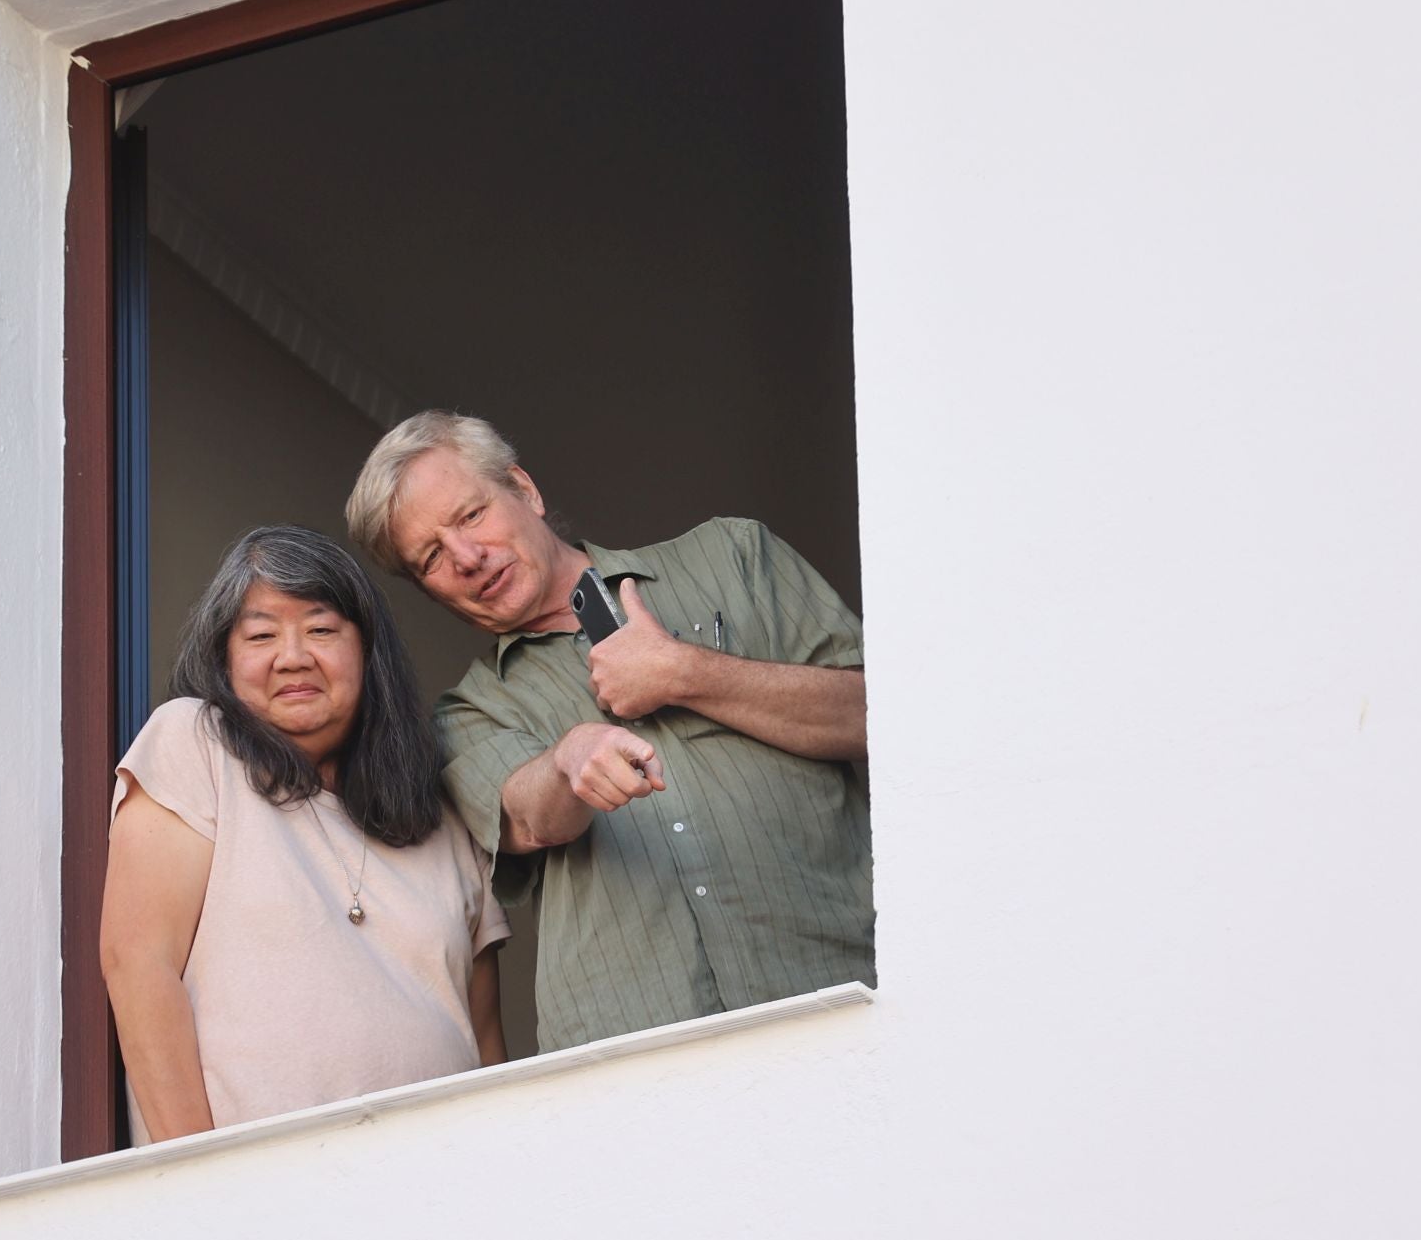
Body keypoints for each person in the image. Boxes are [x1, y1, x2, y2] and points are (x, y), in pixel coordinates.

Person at [345, 412, 872, 1052]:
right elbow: (529, 818)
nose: (466, 558)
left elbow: (874, 717)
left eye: (470, 516)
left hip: (842, 1000)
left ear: (524, 489)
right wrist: (568, 761)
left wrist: (685, 673)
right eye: (430, 557)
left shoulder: (735, 556)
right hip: (636, 1063)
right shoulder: (467, 712)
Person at [99, 525, 509, 1145]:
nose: (293, 656)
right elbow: (137, 965)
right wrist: (192, 1176)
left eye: (321, 630)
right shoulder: (194, 743)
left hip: (441, 1183)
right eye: (261, 635)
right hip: (260, 1194)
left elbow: (485, 1043)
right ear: (224, 661)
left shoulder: (442, 817)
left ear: (368, 654)